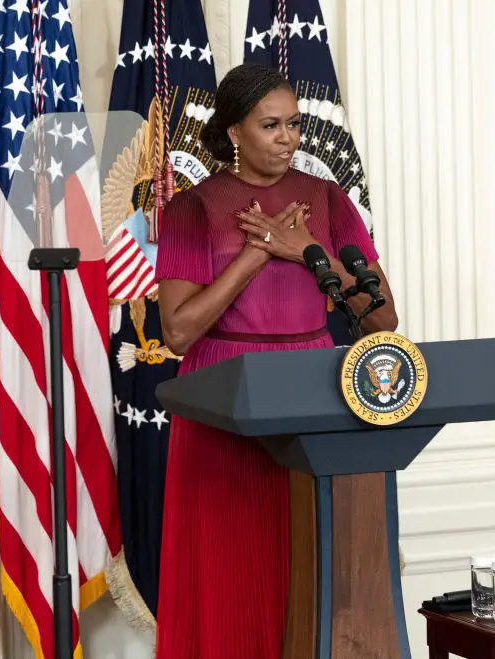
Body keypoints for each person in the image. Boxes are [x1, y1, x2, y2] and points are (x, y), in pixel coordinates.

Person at [153, 64, 399, 658]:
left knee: (308, 560)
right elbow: (180, 331)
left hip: (316, 395)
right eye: (271, 125)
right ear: (235, 131)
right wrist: (255, 256)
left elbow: (383, 320)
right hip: (223, 399)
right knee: (230, 567)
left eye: (294, 123)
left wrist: (306, 248)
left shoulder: (326, 199)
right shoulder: (191, 209)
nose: (289, 137)